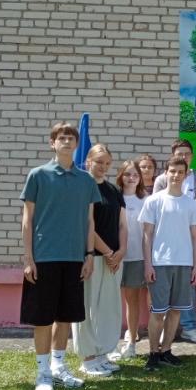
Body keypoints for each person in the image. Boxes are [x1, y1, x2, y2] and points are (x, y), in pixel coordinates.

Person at [20, 122, 101, 390]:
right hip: (44, 257)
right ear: (52, 143)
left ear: (77, 144)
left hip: (74, 259)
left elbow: (90, 221)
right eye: (61, 138)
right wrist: (29, 258)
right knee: (43, 319)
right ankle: (43, 374)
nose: (66, 142)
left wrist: (89, 255)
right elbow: (27, 219)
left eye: (70, 138)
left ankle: (58, 367)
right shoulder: (38, 175)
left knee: (65, 317)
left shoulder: (86, 180)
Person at [139, 156, 196, 371]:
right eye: (172, 171)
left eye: (180, 172)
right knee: (158, 312)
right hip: (160, 263)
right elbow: (147, 235)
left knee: (176, 311)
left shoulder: (190, 204)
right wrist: (148, 265)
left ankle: (166, 350)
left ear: (185, 175)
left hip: (184, 264)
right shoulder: (153, 201)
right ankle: (153, 353)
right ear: (165, 173)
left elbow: (195, 237)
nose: (176, 175)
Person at [72, 144, 127, 376]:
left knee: (107, 308)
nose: (103, 167)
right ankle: (88, 358)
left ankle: (102, 353)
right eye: (99, 162)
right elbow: (87, 225)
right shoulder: (83, 188)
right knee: (87, 307)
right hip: (92, 258)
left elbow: (123, 224)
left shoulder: (113, 190)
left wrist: (121, 251)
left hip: (113, 260)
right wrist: (107, 252)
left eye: (107, 163)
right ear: (88, 162)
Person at [153, 139, 196, 343]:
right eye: (179, 153)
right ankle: (164, 327)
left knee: (188, 284)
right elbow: (156, 213)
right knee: (164, 285)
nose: (183, 157)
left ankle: (188, 326)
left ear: (192, 156)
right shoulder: (162, 180)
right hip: (166, 245)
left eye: (187, 153)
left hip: (192, 242)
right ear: (173, 156)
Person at [116, 159, 148, 358]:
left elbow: (149, 232)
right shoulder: (114, 197)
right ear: (121, 176)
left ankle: (131, 343)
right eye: (127, 174)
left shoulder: (145, 200)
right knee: (111, 301)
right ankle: (110, 343)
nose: (131, 178)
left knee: (132, 301)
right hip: (114, 257)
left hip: (137, 257)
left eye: (135, 174)